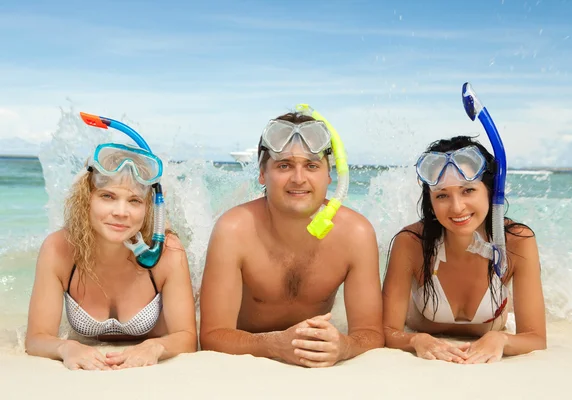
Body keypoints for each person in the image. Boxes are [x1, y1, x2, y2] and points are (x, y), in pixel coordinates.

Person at [199, 105, 383, 367]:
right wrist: (275, 344)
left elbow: (372, 334)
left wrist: (345, 346)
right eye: (284, 165)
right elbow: (212, 336)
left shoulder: (356, 234)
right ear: (263, 174)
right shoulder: (235, 230)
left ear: (329, 175)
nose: (299, 178)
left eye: (311, 165)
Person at [25, 113, 197, 370]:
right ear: (87, 199)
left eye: (134, 201)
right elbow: (37, 339)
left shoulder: (168, 254)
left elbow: (187, 338)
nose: (121, 212)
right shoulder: (58, 249)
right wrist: (66, 347)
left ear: (149, 208)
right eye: (107, 196)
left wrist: (155, 346)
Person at [382, 135, 546, 364]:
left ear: (491, 190)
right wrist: (416, 340)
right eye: (442, 195)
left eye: (468, 190)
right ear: (430, 200)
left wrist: (500, 339)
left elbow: (535, 338)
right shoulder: (411, 243)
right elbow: (387, 331)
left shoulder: (517, 242)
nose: (457, 207)